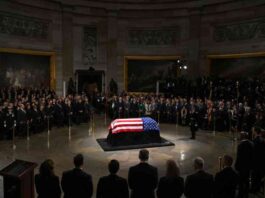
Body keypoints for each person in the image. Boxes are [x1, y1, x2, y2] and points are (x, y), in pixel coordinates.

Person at [235, 132, 254, 198]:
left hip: (241, 166)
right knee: (246, 181)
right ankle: (246, 194)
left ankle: (240, 194)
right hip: (248, 166)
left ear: (242, 137)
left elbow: (239, 157)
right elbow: (252, 156)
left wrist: (236, 166)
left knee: (240, 181)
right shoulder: (251, 144)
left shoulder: (240, 145)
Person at [251, 127, 265, 193]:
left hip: (255, 161)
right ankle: (258, 188)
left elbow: (253, 151)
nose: (252, 132)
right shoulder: (262, 139)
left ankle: (254, 189)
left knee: (254, 176)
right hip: (261, 161)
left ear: (256, 132)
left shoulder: (256, 140)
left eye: (253, 131)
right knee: (258, 176)